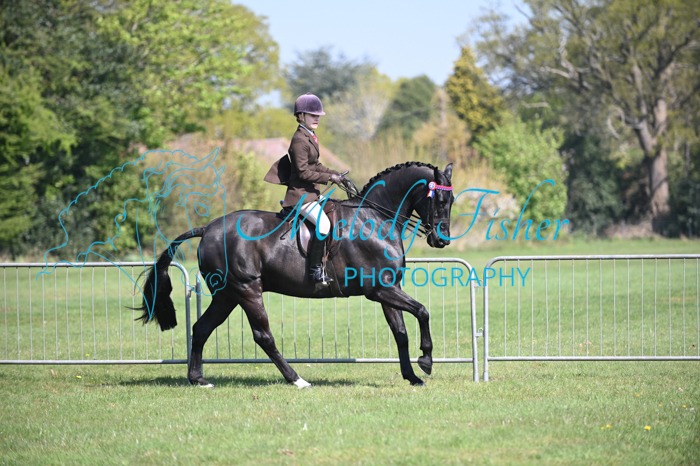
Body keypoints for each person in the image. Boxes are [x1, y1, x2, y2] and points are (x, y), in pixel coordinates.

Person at [264, 93, 345, 285]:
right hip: (301, 196)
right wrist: (328, 178)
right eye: (312, 115)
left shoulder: (310, 136)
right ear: (301, 116)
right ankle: (315, 270)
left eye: (318, 115)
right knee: (323, 225)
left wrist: (336, 175)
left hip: (311, 194)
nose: (317, 118)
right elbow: (303, 172)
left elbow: (315, 165)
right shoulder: (300, 139)